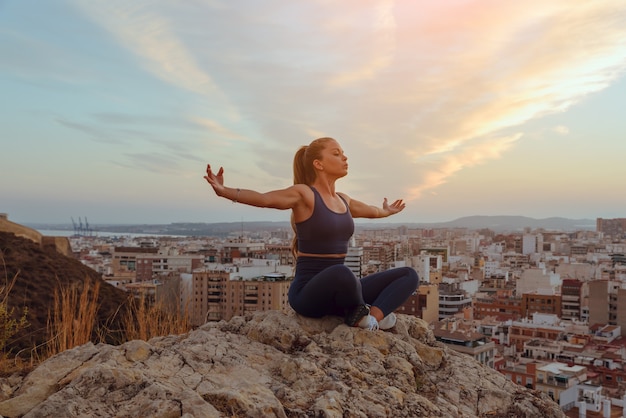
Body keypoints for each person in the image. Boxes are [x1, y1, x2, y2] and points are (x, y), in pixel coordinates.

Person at [204, 137, 419, 330]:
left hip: (342, 288)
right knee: (343, 273)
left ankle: (370, 318)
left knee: (408, 275)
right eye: (336, 153)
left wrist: (387, 211)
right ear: (319, 164)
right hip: (308, 294)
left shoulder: (344, 200)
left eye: (343, 153)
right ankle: (359, 313)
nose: (345, 157)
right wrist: (225, 192)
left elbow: (372, 211)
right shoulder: (305, 194)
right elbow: (264, 199)